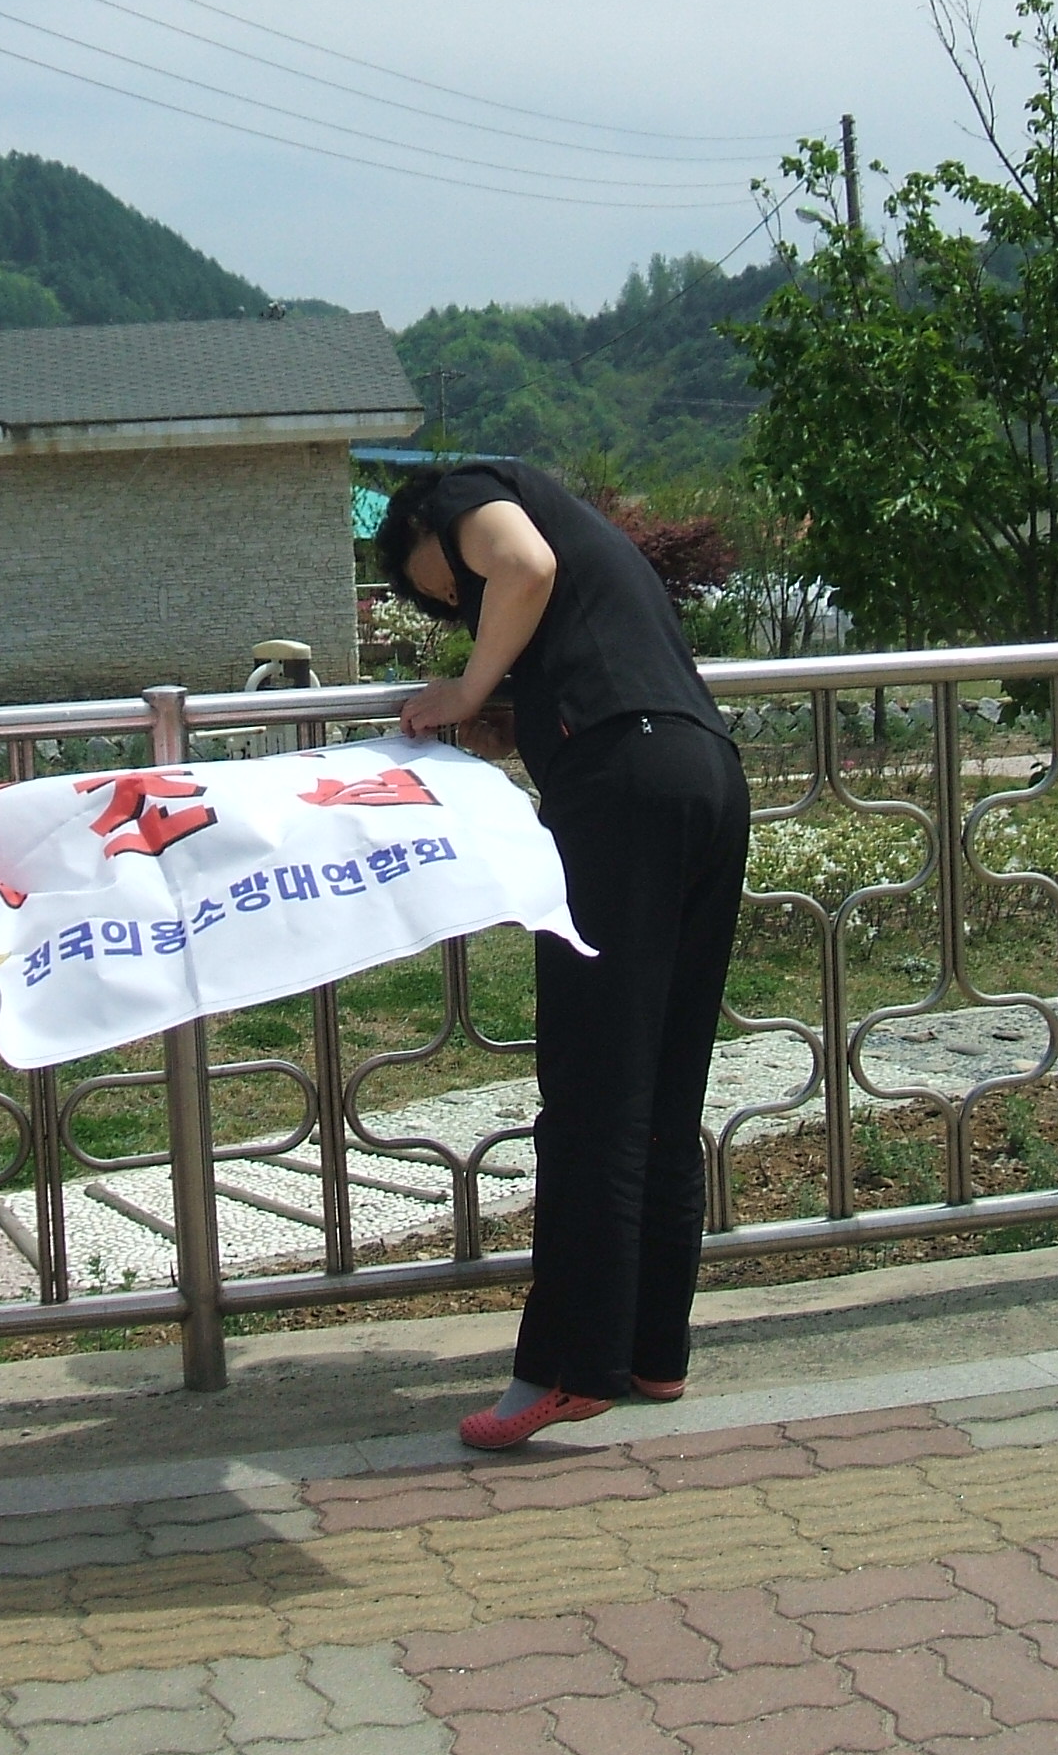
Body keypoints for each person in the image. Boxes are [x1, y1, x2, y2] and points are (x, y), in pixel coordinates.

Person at [379, 461, 750, 1450]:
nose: (451, 599)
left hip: (625, 791)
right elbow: (549, 602)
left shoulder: (466, 493)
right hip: (706, 774)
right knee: (665, 1084)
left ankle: (570, 1369)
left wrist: (466, 689)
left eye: (438, 586)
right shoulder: (587, 542)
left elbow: (523, 567)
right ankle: (652, 1350)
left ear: (423, 529)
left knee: (592, 1092)